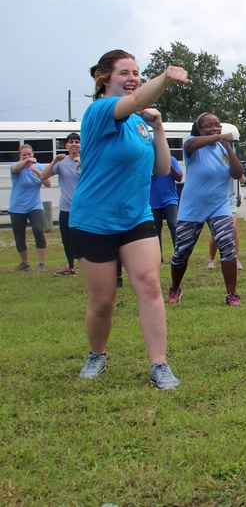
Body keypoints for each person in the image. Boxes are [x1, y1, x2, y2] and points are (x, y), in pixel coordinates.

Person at [71, 48, 187, 389]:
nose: (132, 77)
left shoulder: (140, 123)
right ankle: (97, 354)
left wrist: (159, 129)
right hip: (94, 219)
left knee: (150, 285)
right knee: (103, 299)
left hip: (136, 218)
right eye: (124, 72)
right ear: (104, 78)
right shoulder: (99, 111)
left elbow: (162, 168)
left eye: (136, 72)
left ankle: (159, 364)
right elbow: (136, 99)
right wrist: (165, 77)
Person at [167, 113, 244, 306]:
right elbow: (190, 146)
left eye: (217, 125)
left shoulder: (223, 149)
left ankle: (231, 294)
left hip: (219, 206)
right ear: (200, 129)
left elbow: (237, 173)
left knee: (228, 247)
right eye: (208, 126)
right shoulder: (192, 143)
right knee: (182, 252)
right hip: (192, 207)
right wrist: (218, 137)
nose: (215, 128)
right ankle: (175, 287)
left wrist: (227, 146)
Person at [40, 133, 81, 275]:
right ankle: (70, 268)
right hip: (66, 207)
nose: (74, 144)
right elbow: (43, 176)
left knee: (84, 238)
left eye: (76, 141)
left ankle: (91, 267)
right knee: (66, 239)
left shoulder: (86, 160)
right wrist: (54, 161)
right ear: (66, 145)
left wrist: (81, 162)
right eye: (71, 142)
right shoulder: (61, 164)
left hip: (83, 208)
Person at [9, 144, 51, 272]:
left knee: (39, 231)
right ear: (20, 156)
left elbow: (48, 184)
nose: (27, 156)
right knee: (19, 236)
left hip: (35, 205)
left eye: (29, 154)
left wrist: (36, 170)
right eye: (24, 155)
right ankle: (25, 262)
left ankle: (42, 264)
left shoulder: (38, 167)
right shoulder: (15, 166)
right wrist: (26, 162)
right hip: (17, 207)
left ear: (33, 154)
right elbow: (16, 169)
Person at [149, 154, 183, 262]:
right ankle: (158, 256)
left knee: (173, 224)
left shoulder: (172, 160)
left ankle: (178, 253)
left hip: (170, 198)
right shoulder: (150, 161)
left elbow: (179, 178)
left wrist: (169, 165)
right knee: (156, 227)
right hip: (154, 199)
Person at [208, 175, 245, 270]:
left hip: (230, 202)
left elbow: (243, 179)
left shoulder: (231, 162)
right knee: (216, 233)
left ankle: (236, 260)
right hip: (217, 202)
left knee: (234, 230)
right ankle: (212, 260)